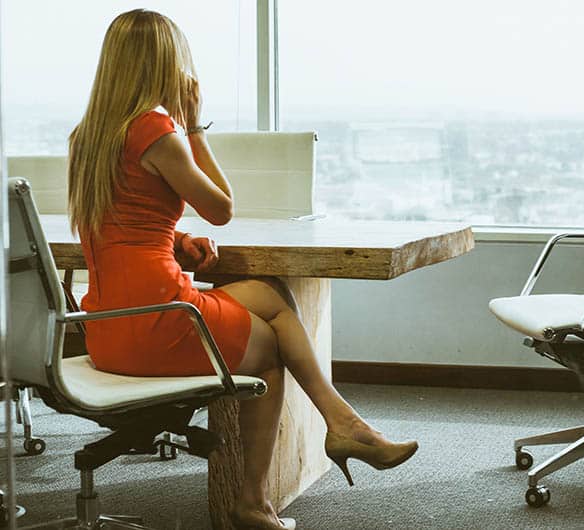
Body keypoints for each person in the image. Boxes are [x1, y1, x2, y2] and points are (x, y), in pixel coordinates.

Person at [67, 9, 417, 530]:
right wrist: (193, 127)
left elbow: (112, 224)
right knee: (271, 353)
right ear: (165, 62)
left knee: (272, 297)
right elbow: (222, 207)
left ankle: (343, 423)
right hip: (159, 319)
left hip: (104, 326)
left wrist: (178, 239)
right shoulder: (156, 130)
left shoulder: (87, 137)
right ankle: (252, 500)